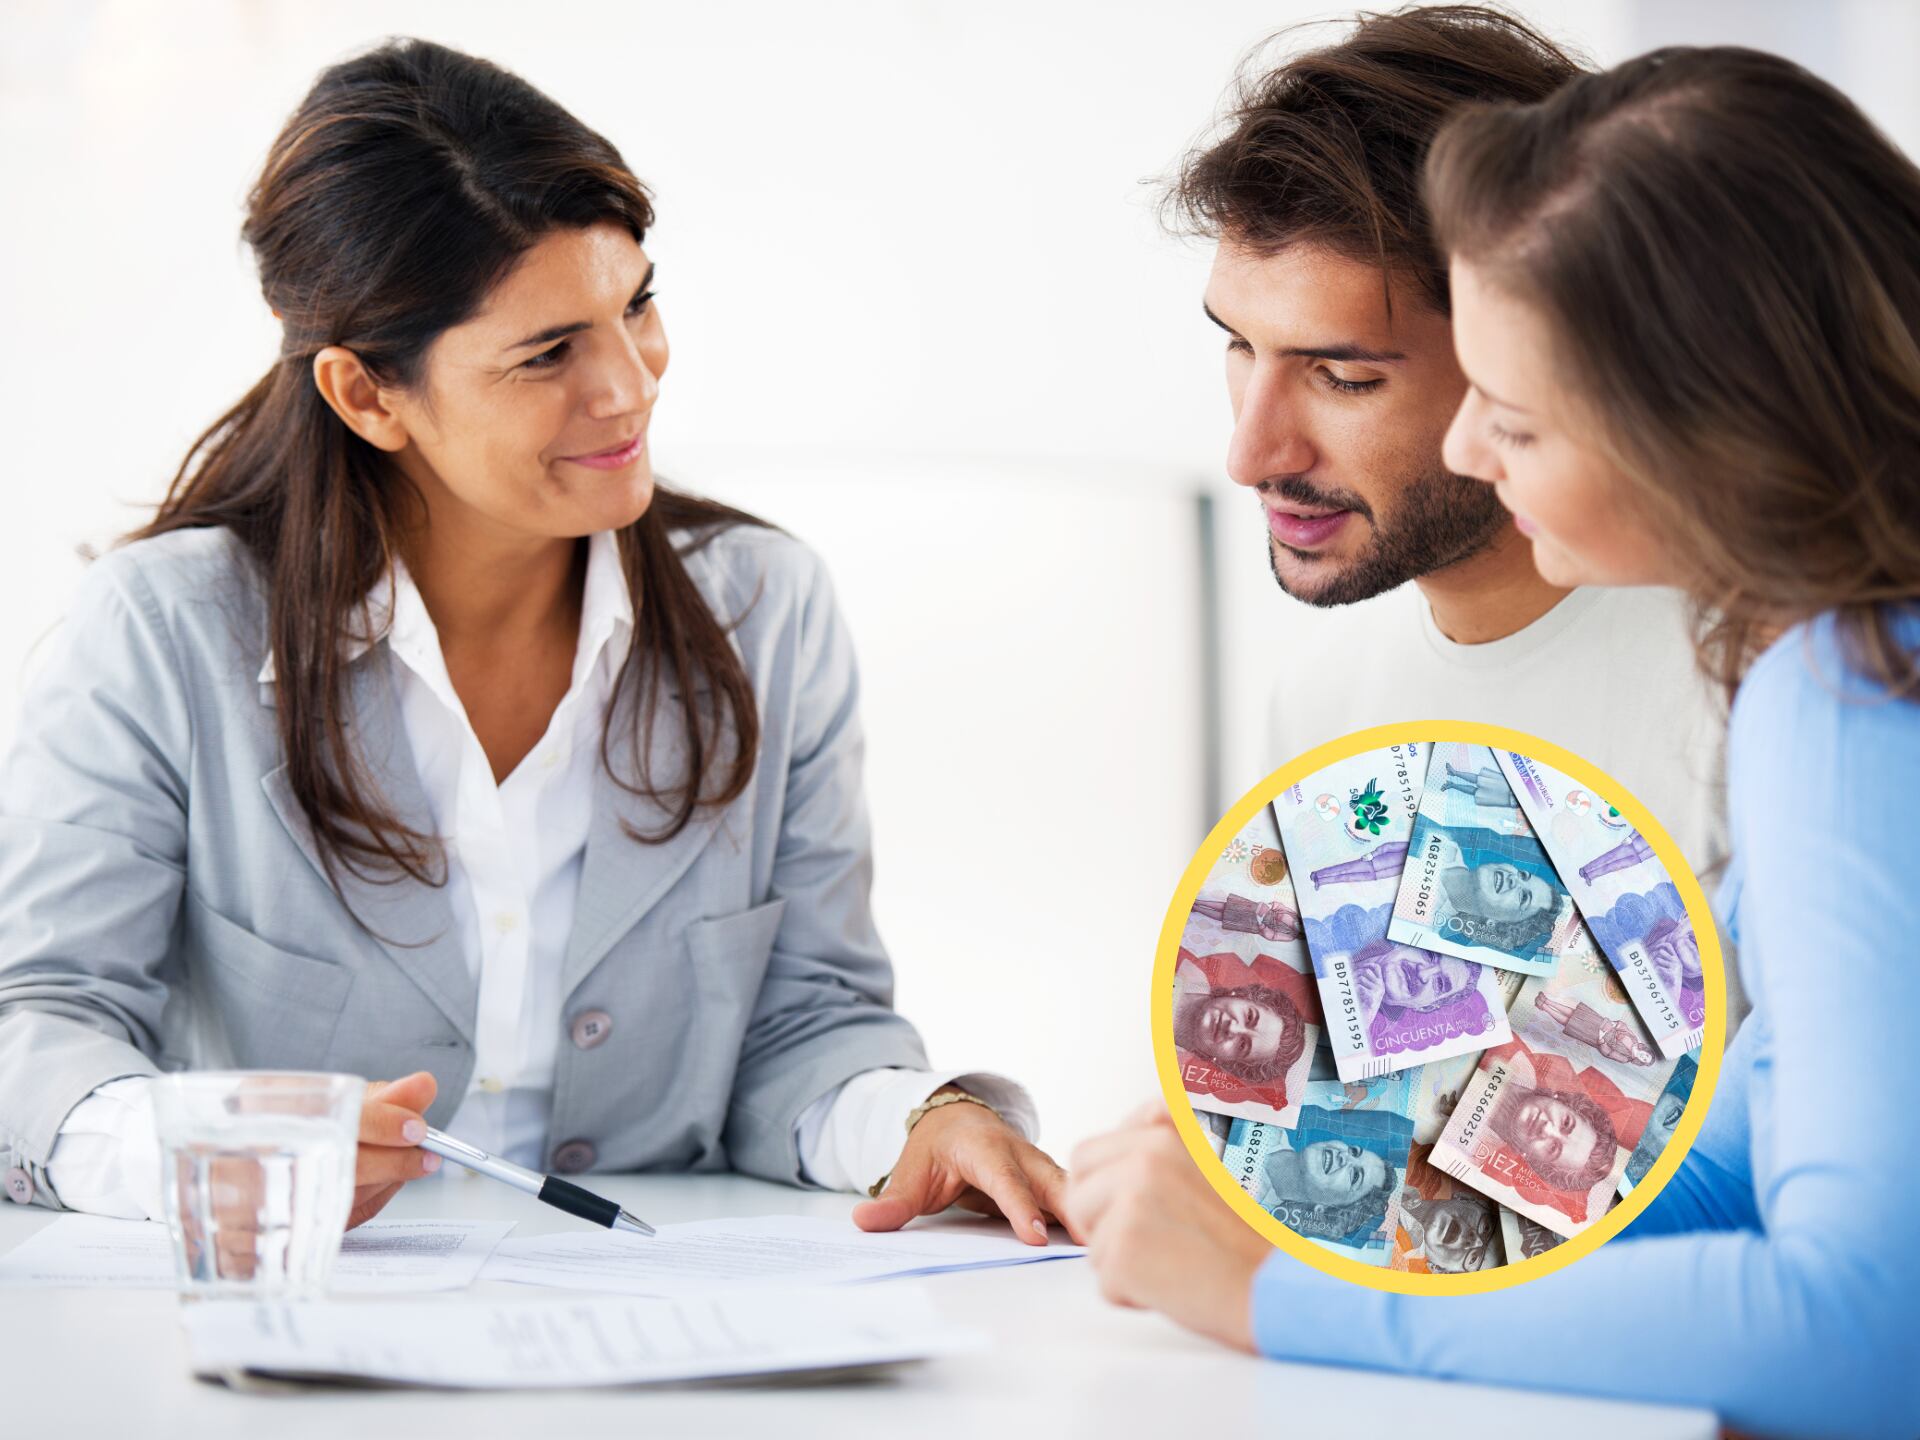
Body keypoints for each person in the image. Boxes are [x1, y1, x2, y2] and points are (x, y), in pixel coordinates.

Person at [0, 38, 1076, 1248]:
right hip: (311, 1314)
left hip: (673, 1307)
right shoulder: (160, 634)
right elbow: (33, 1023)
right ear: (366, 396)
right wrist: (206, 1144)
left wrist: (918, 1121)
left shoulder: (768, 610)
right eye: (548, 352)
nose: (629, 385)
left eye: (637, 306)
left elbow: (806, 1025)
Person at [1070, 41, 1920, 1437]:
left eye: (1513, 414)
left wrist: (1283, 1302)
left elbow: (1865, 1330)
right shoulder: (1823, 664)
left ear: (1694, 418)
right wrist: (1332, 1214)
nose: (1475, 450)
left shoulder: (1842, 692)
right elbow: (1737, 1154)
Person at [1166, 6, 1734, 990]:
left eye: (1344, 377)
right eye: (1239, 346)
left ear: (1535, 353)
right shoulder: (1322, 712)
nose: (1250, 454)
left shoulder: (1758, 681)